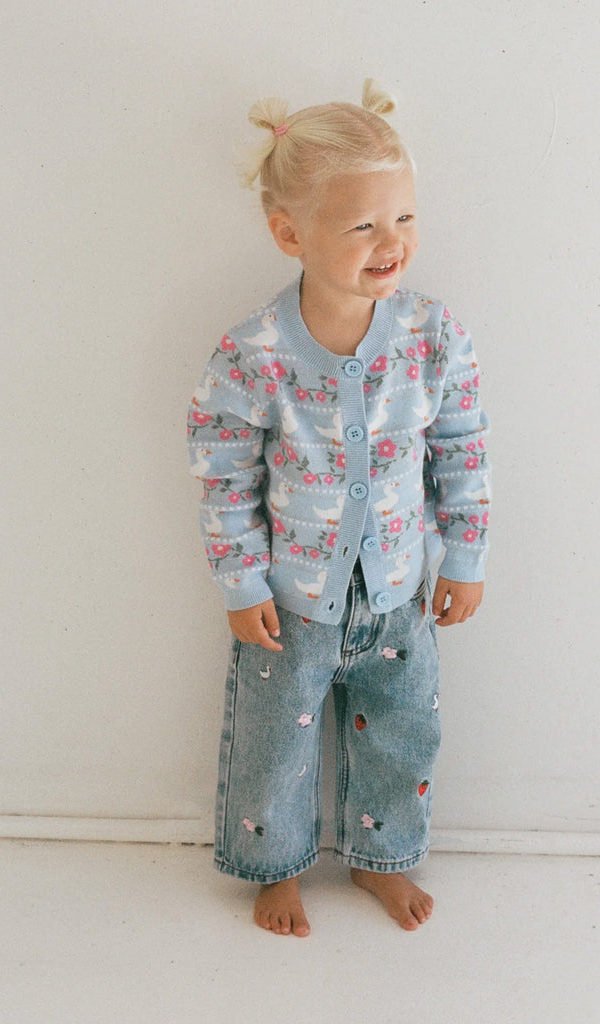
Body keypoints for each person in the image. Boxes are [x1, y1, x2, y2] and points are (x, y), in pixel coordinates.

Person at [187, 80, 491, 936]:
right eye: (362, 224)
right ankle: (273, 867)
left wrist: (465, 558)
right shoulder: (252, 355)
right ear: (290, 233)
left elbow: (463, 452)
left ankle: (381, 859)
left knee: (401, 734)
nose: (390, 242)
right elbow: (222, 473)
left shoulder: (435, 338)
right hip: (290, 601)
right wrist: (241, 581)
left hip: (401, 590)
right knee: (272, 746)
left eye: (402, 218)